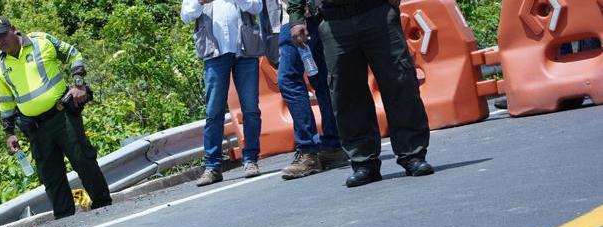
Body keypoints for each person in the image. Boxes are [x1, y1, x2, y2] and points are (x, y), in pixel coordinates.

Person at [288, 0, 433, 187]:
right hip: (334, 19)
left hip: (376, 11)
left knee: (399, 82)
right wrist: (296, 18)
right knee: (346, 94)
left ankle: (412, 155)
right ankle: (364, 162)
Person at [0, 16, 113, 219]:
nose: (0, 41)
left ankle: (104, 207)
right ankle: (65, 222)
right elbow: (5, 101)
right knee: (51, 177)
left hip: (63, 115)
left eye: (2, 34)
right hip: (35, 128)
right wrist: (9, 133)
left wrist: (79, 84)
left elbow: (73, 54)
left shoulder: (41, 41)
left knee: (83, 160)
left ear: (13, 29)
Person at [182, 0, 266, 187]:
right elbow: (186, 15)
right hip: (215, 54)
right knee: (214, 112)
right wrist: (199, 2)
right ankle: (213, 166)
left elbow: (257, 7)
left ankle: (251, 159)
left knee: (251, 109)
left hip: (245, 50)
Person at [269, 0, 348, 179]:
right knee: (321, 79)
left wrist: (296, 18)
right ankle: (333, 146)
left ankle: (308, 150)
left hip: (298, 15)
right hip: (318, 12)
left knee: (289, 79)